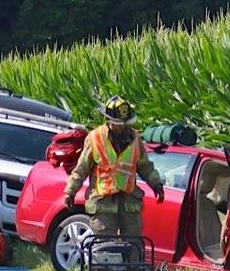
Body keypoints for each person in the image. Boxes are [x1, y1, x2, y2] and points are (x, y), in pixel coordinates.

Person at [63, 95, 165, 238]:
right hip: (103, 201)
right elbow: (81, 169)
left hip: (129, 202)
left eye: (123, 123)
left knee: (133, 241)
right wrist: (70, 192)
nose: (119, 126)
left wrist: (156, 184)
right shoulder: (95, 138)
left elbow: (145, 166)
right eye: (116, 123)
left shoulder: (135, 139)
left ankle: (131, 261)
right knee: (105, 242)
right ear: (108, 120)